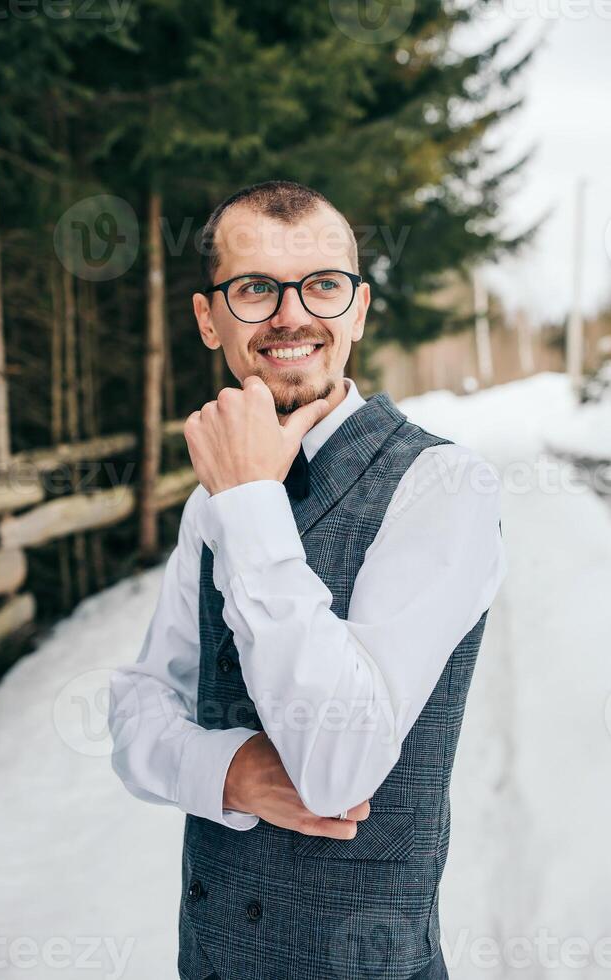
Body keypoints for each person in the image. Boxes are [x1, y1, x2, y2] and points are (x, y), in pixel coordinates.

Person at [108, 179, 507, 980]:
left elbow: (338, 767)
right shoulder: (211, 497)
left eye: (323, 285)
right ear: (208, 318)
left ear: (357, 309)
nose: (293, 315)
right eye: (255, 289)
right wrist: (227, 773)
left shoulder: (442, 483)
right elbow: (135, 710)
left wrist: (251, 501)